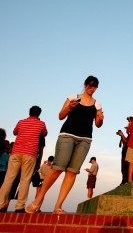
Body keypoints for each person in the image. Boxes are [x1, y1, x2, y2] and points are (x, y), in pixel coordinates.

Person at [26, 75, 104, 214]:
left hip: (85, 140)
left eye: (95, 86)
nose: (92, 88)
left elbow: (98, 125)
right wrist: (69, 107)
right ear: (85, 85)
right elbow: (61, 116)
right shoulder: (73, 97)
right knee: (57, 168)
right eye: (90, 85)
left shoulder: (97, 104)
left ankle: (58, 206)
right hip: (67, 135)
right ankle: (37, 201)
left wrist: (100, 119)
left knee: (72, 172)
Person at [0, 106, 48, 213]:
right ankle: (19, 206)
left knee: (8, 179)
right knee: (25, 180)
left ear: (29, 112)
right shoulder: (41, 124)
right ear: (39, 114)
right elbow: (45, 133)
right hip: (30, 154)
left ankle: (0, 204)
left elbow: (14, 132)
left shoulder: (21, 122)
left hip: (16, 152)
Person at [116, 118, 130, 185]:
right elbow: (120, 145)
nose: (126, 130)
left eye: (127, 128)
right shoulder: (128, 136)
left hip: (127, 153)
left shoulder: (130, 136)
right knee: (123, 168)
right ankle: (124, 181)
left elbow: (127, 142)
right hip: (124, 153)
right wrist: (121, 137)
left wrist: (122, 135)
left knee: (125, 168)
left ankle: (125, 181)